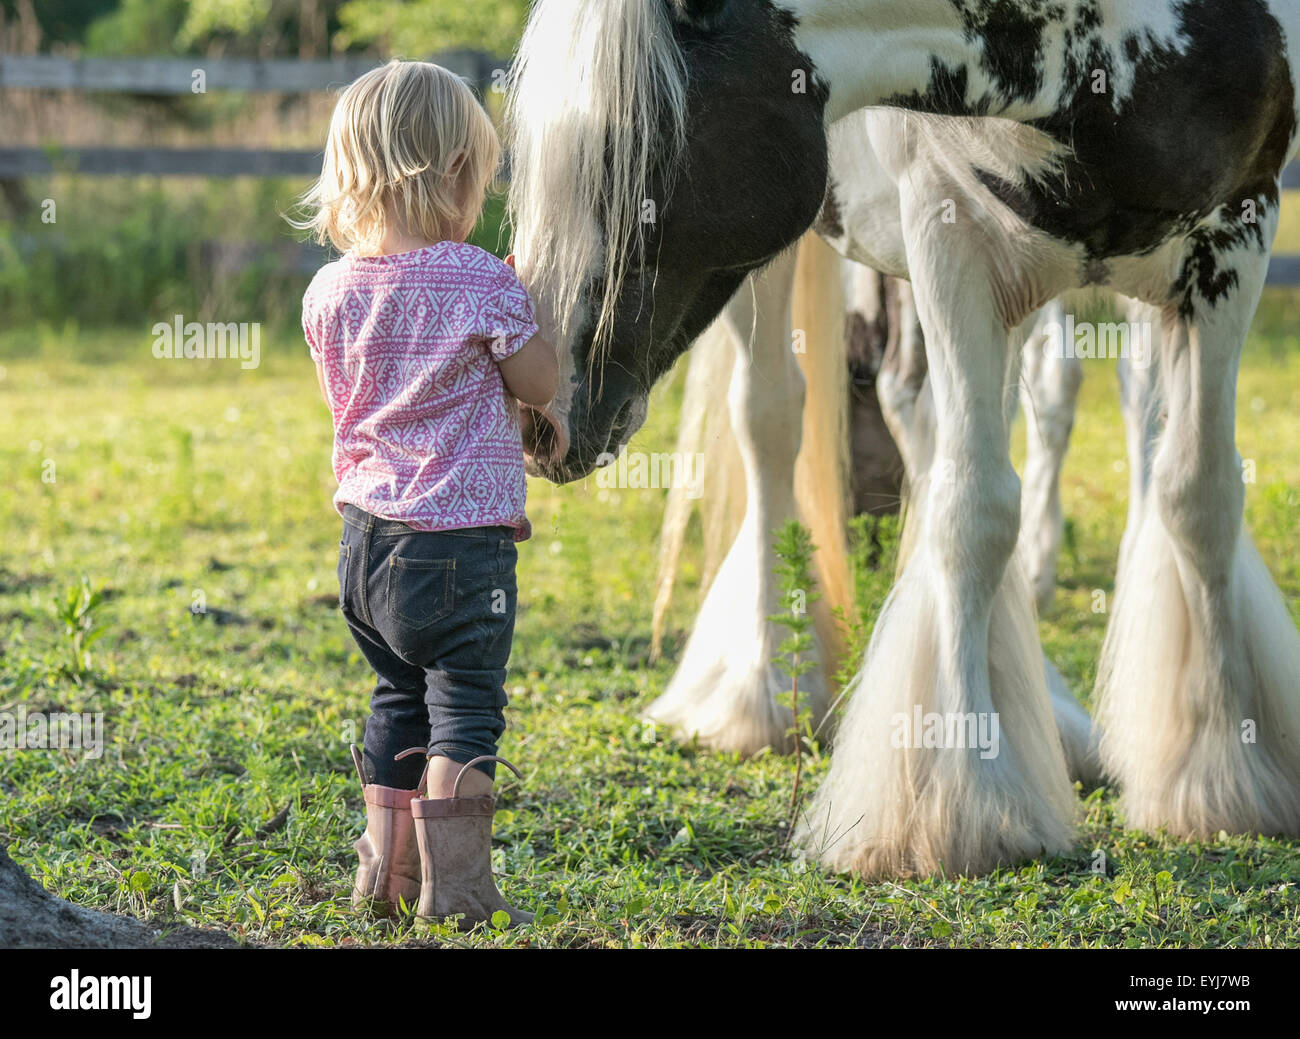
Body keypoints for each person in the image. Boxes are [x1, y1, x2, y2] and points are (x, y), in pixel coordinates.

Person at [295, 59, 557, 929]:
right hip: (459, 549)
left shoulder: (327, 291)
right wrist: (524, 303)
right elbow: (541, 382)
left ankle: (385, 878)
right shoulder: (481, 279)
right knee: (466, 715)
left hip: (365, 547)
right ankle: (461, 895)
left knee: (396, 702)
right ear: (452, 176)